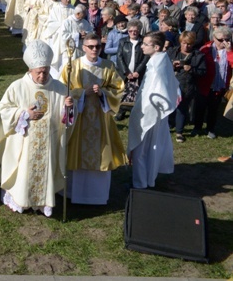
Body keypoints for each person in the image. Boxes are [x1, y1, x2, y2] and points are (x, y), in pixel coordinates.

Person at [0, 40, 74, 217]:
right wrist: (23, 114)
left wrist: (68, 107)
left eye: (45, 72)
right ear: (30, 70)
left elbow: (67, 119)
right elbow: (4, 108)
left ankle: (42, 203)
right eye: (38, 72)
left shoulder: (59, 88)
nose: (42, 76)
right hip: (24, 142)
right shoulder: (18, 86)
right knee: (24, 170)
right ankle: (22, 201)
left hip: (49, 141)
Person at [59, 33, 126, 205]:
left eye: (97, 46)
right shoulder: (72, 67)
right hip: (78, 120)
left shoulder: (108, 66)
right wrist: (81, 94)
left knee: (101, 154)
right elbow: (62, 92)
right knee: (76, 152)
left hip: (101, 120)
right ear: (83, 48)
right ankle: (74, 193)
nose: (94, 49)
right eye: (90, 46)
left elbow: (119, 90)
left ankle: (97, 196)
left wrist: (103, 93)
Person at [128, 31, 180, 189]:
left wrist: (141, 113)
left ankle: (141, 183)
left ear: (156, 47)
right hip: (157, 113)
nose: (142, 46)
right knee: (151, 148)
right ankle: (148, 179)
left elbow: (156, 93)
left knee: (141, 149)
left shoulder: (158, 66)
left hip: (152, 114)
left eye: (145, 44)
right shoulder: (159, 60)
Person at [166, 31, 207, 142]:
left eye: (189, 44)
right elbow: (162, 67)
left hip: (187, 86)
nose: (186, 46)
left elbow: (203, 72)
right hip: (170, 84)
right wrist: (172, 65)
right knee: (167, 107)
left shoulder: (198, 56)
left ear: (193, 44)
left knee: (182, 109)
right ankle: (167, 127)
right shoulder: (172, 52)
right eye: (184, 43)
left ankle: (179, 132)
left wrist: (191, 69)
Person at [194, 26, 233, 139]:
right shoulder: (206, 48)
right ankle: (197, 127)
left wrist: (229, 52)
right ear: (214, 38)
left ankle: (210, 129)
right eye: (221, 40)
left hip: (220, 85)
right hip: (205, 83)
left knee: (213, 108)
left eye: (227, 39)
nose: (224, 42)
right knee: (200, 107)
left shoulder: (230, 50)